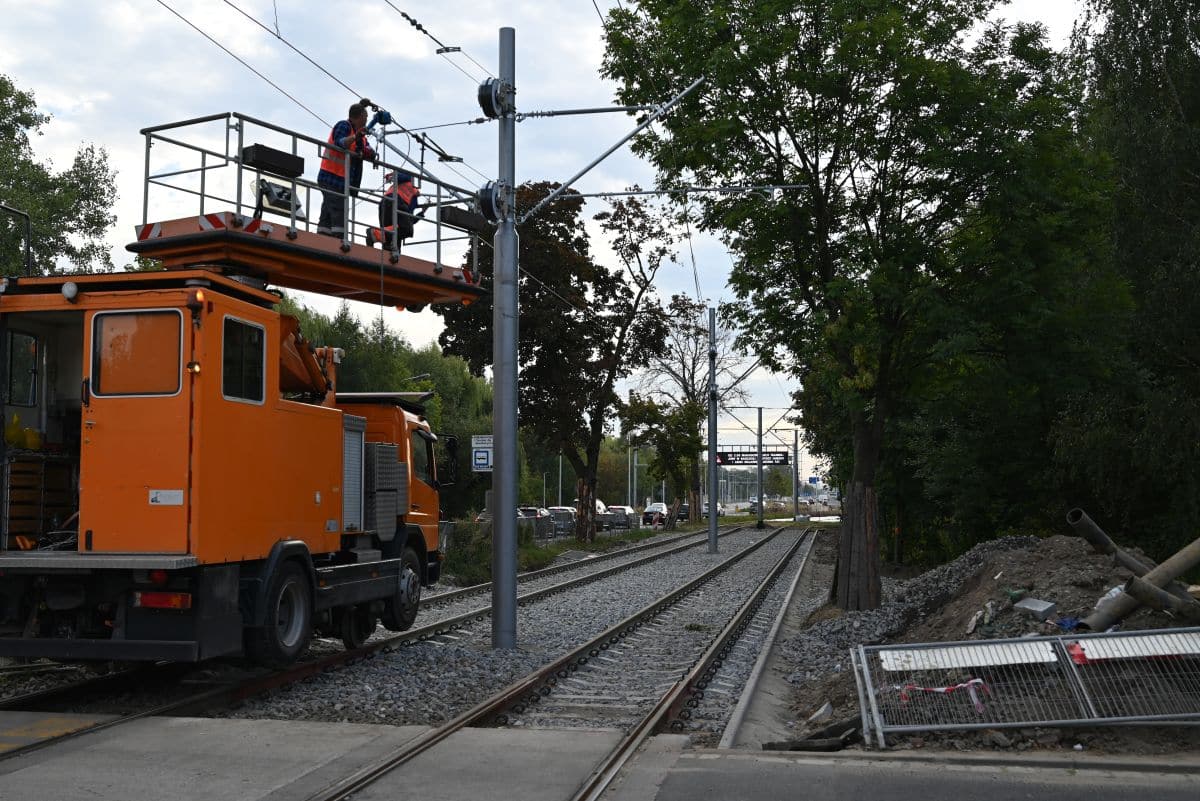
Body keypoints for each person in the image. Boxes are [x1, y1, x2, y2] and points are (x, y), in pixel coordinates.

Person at [317, 100, 376, 237]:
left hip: (340, 180)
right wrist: (356, 137)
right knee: (338, 209)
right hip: (331, 176)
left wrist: (369, 153)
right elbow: (340, 143)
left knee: (328, 209)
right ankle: (339, 241)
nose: (367, 120)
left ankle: (322, 236)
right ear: (360, 117)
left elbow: (368, 150)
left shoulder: (358, 134)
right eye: (366, 117)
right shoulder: (344, 126)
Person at [367, 171, 420, 250]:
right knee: (405, 229)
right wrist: (391, 176)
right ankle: (374, 233)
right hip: (394, 200)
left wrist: (422, 214)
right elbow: (402, 175)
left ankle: (391, 253)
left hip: (387, 202)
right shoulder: (409, 181)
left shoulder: (413, 199)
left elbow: (410, 218)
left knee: (395, 230)